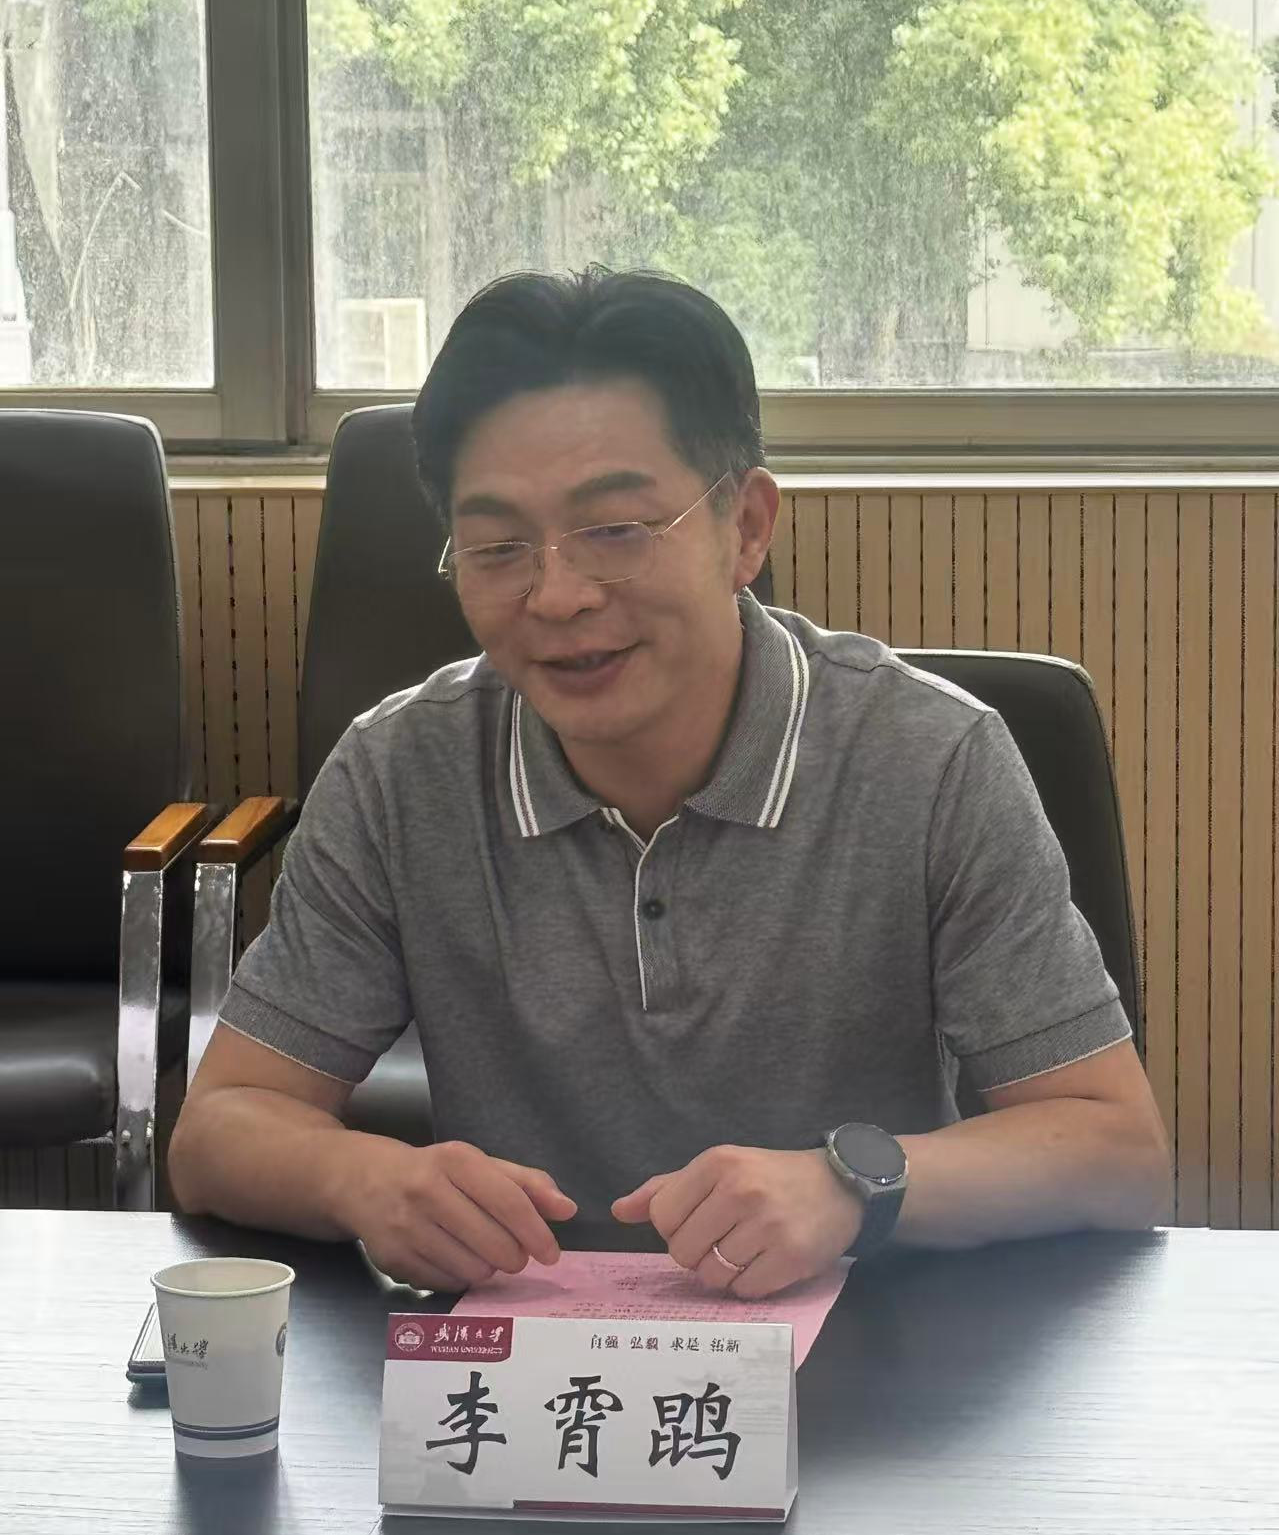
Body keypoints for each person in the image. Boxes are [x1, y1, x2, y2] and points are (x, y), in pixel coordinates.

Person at [168, 267, 1171, 1299]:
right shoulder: (399, 771)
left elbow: (1116, 1148)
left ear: (746, 527)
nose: (557, 596)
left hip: (863, 1348)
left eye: (616, 529)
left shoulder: (928, 758)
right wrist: (366, 1180)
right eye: (497, 547)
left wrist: (850, 1187)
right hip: (523, 1357)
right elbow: (218, 1129)